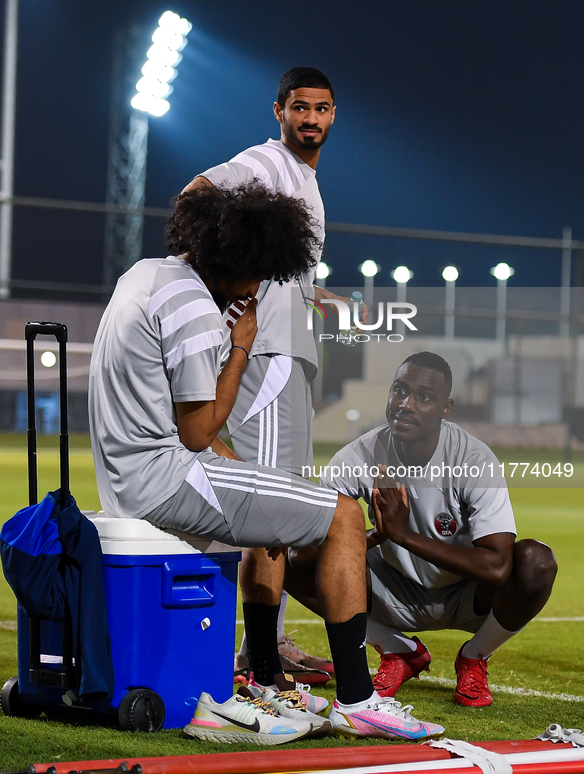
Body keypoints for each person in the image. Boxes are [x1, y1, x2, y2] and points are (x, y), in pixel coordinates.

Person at [88, 184, 444, 742]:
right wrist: (241, 347)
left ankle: (262, 675)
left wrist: (262, 484)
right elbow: (199, 430)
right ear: (238, 260)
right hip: (165, 480)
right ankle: (358, 699)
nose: (257, 288)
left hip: (130, 475)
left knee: (275, 510)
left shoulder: (145, 275)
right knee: (343, 515)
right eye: (259, 274)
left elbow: (186, 432)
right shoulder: (192, 310)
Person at [183, 66, 346, 680]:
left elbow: (282, 269)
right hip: (270, 361)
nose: (310, 119)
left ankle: (266, 641)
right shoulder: (268, 163)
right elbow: (196, 196)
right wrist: (217, 288)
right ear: (278, 111)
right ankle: (260, 654)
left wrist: (304, 293)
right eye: (299, 108)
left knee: (274, 502)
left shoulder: (302, 179)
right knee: (272, 504)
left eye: (322, 109)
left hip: (284, 351)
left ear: (335, 115)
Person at [301, 351, 556, 707]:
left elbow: (497, 566)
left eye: (424, 397)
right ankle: (397, 649)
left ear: (445, 408)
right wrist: (378, 535)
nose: (406, 404)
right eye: (399, 390)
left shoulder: (472, 459)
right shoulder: (357, 457)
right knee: (294, 561)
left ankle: (475, 656)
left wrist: (404, 536)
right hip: (390, 588)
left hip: (465, 594)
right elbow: (309, 543)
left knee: (537, 562)